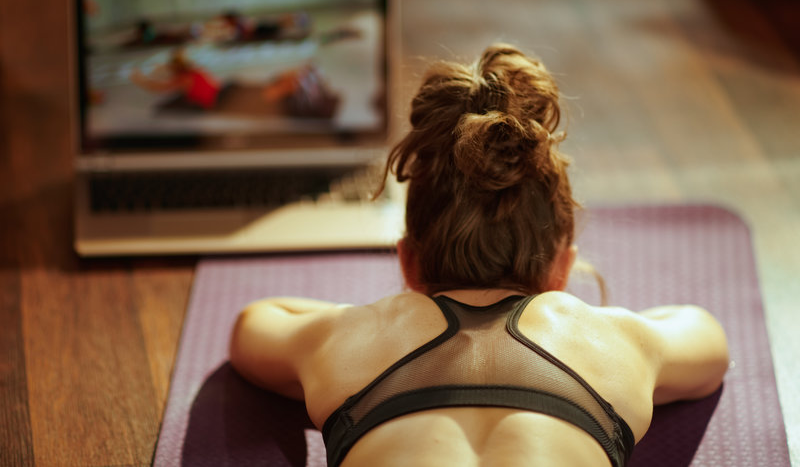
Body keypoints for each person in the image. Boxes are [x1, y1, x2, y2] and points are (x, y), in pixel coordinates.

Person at [229, 44, 729, 467]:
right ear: (562, 267)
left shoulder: (346, 338)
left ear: (407, 263)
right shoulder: (614, 340)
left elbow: (254, 324)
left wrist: (354, 322)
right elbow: (704, 335)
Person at [130, 48, 221, 109]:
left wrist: (139, 79)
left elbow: (157, 87)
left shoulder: (183, 78)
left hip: (215, 105)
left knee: (162, 108)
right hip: (221, 96)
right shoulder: (196, 70)